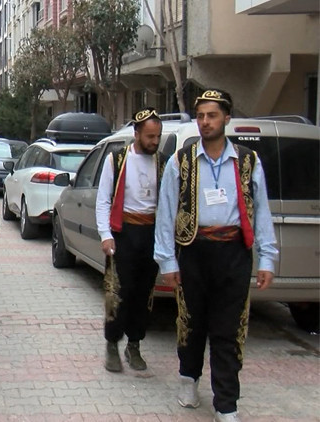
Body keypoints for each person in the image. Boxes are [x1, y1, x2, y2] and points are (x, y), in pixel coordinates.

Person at [154, 89, 278, 422]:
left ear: (227, 118)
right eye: (201, 116)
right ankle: (188, 378)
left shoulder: (247, 161)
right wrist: (167, 260)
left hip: (234, 254)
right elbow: (166, 212)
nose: (205, 122)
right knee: (191, 322)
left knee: (229, 328)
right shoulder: (182, 160)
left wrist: (267, 258)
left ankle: (226, 403)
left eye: (212, 115)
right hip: (194, 251)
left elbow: (261, 211)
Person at [95, 107, 166, 372]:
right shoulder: (117, 159)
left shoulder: (163, 162)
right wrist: (106, 235)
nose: (154, 142)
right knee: (117, 292)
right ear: (136, 134)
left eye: (157, 136)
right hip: (123, 233)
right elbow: (103, 199)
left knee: (143, 292)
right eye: (150, 136)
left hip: (151, 233)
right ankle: (112, 344)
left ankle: (134, 344)